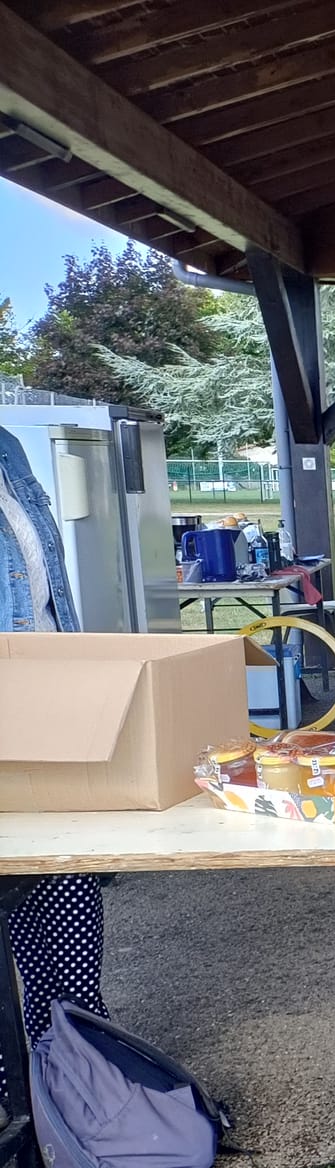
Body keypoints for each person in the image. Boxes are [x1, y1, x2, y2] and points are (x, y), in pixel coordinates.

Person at [0, 423, 113, 1106]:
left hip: (45, 697)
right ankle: (28, 1072)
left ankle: (77, 1052)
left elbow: (44, 594)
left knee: (66, 877)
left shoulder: (8, 447)